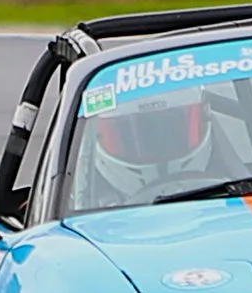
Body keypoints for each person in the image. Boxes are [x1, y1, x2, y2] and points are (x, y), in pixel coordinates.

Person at [81, 88, 223, 206]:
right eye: (128, 136)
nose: (161, 147)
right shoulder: (81, 203)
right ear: (95, 135)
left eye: (171, 131)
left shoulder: (230, 184)